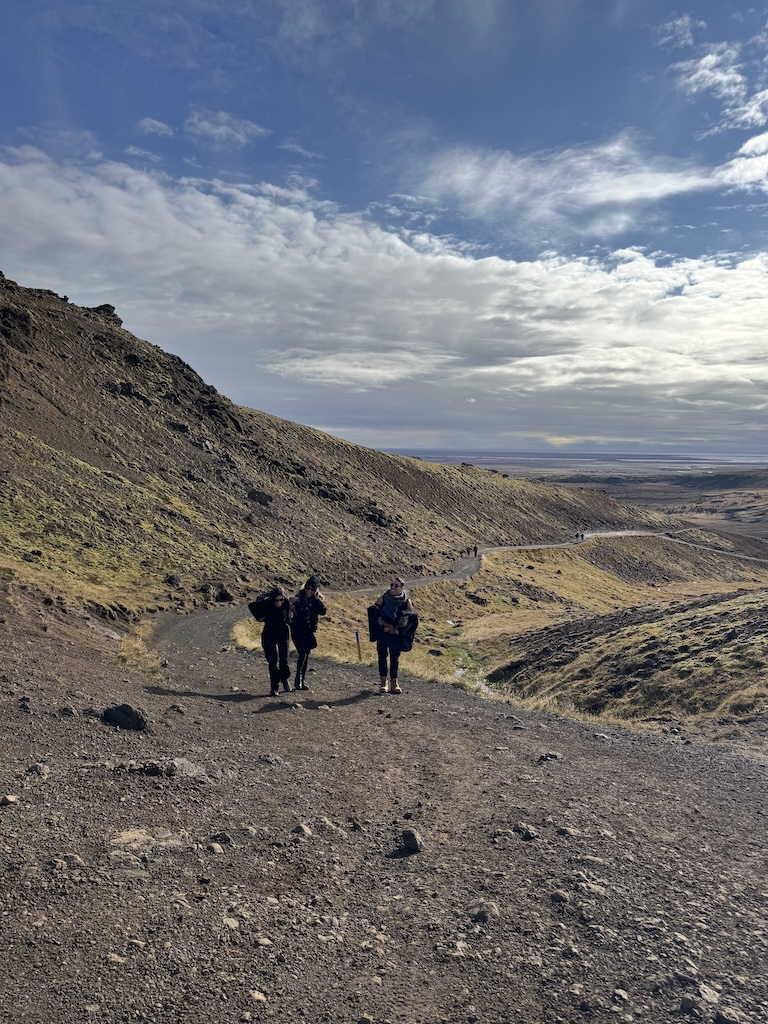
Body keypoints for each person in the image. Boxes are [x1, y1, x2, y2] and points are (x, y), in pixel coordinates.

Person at [373, 577, 414, 695]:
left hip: (396, 634)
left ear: (401, 588)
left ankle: (394, 683)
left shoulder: (407, 601)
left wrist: (398, 630)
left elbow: (410, 619)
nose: (393, 588)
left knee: (394, 658)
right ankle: (383, 682)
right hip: (383, 632)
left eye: (396, 586)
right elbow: (374, 614)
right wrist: (383, 626)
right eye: (391, 585)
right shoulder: (383, 598)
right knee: (382, 656)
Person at [248, 586, 292, 696]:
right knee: (272, 662)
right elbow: (251, 606)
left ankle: (284, 679)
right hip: (269, 633)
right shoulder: (267, 603)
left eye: (281, 600)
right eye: (277, 600)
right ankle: (274, 688)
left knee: (284, 660)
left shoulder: (286, 603)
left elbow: (293, 612)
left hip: (283, 633)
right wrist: (259, 617)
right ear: (272, 599)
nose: (279, 602)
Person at [290, 575, 327, 690]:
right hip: (297, 630)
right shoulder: (298, 598)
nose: (309, 591)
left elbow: (323, 612)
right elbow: (289, 610)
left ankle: (302, 679)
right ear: (304, 588)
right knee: (302, 653)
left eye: (312, 589)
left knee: (306, 655)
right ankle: (298, 679)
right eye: (307, 588)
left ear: (316, 590)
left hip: (308, 631)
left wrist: (317, 600)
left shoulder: (316, 601)